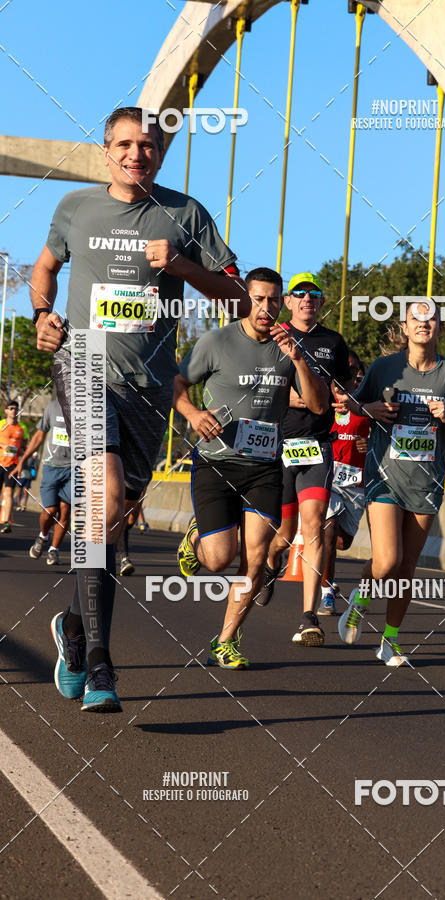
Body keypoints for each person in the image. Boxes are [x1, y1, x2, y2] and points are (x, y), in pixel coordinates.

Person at [31, 105, 251, 712]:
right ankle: (102, 664)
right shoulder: (75, 209)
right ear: (106, 151)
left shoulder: (186, 214)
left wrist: (180, 265)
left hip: (149, 389)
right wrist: (43, 317)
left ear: (160, 152)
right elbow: (45, 270)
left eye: (148, 145)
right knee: (100, 495)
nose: (137, 154)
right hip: (83, 366)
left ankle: (73, 628)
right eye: (124, 144)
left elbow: (238, 298)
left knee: (112, 514)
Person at [174, 267, 328, 668]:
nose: (266, 307)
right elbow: (175, 385)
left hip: (264, 467)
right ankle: (195, 540)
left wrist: (298, 358)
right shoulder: (216, 341)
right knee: (218, 559)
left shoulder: (289, 345)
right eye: (258, 299)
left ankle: (226, 640)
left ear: (283, 303)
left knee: (256, 558)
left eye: (274, 300)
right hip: (217, 462)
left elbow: (317, 405)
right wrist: (192, 413)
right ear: (246, 299)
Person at [337, 301, 445, 666]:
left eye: (431, 317)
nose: (423, 323)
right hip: (384, 477)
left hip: (426, 483)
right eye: (416, 318)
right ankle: (361, 598)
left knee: (407, 568)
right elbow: (353, 403)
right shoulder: (386, 368)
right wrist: (370, 410)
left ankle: (389, 640)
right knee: (388, 561)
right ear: (405, 326)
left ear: (440, 327)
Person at [254, 273, 353, 646]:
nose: (308, 298)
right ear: (289, 302)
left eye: (314, 293)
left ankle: (308, 616)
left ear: (321, 303)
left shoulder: (333, 342)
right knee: (282, 533)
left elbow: (341, 386)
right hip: (277, 444)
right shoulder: (272, 334)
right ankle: (269, 564)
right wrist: (292, 398)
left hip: (317, 445)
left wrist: (341, 396)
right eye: (300, 293)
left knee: (314, 527)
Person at [319, 351, 369, 615]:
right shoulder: (323, 402)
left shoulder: (367, 404)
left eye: (355, 373)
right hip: (326, 477)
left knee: (341, 542)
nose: (350, 377)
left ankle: (329, 575)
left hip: (355, 483)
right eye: (344, 371)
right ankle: (327, 593)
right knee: (328, 528)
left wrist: (369, 444)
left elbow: (386, 439)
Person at [16, 395, 71, 565]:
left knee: (65, 510)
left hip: (74, 468)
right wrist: (23, 460)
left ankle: (54, 550)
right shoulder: (53, 407)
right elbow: (39, 436)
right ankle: (43, 536)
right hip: (51, 466)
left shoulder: (87, 411)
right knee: (50, 510)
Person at [0, 401, 29, 532]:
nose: (13, 411)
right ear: (6, 411)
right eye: (11, 409)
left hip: (12, 464)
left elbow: (25, 446)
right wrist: (3, 445)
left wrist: (22, 451)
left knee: (9, 492)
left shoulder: (22, 427)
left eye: (15, 409)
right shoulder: (1, 424)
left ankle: (6, 523)